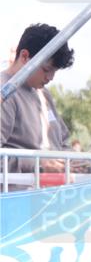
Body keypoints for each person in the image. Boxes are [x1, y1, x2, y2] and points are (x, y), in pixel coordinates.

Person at [0, 23, 75, 172]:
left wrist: (76, 162)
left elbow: (63, 141)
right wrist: (39, 166)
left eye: (55, 71)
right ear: (24, 57)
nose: (51, 77)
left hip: (54, 185)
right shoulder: (4, 93)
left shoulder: (44, 94)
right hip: (19, 186)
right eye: (46, 69)